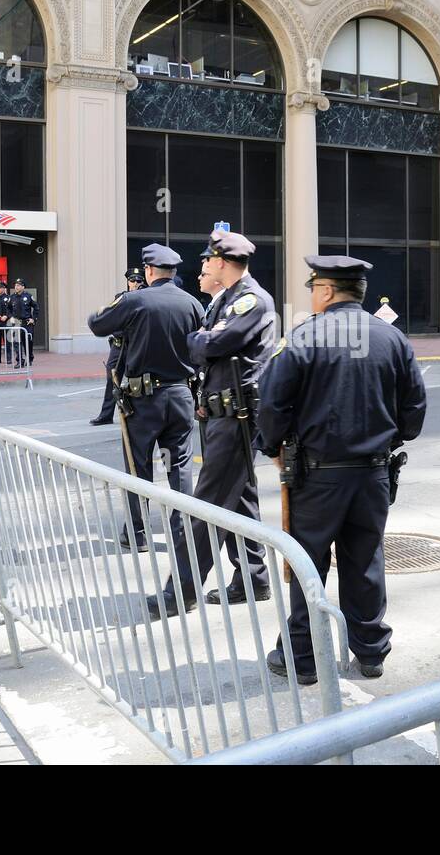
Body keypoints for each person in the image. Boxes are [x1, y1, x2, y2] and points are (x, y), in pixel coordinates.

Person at [258, 255, 427, 684]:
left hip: (316, 475)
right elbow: (414, 410)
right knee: (365, 559)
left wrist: (273, 447)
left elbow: (273, 403)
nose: (313, 297)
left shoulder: (302, 337)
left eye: (314, 289)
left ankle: (304, 657)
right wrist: (391, 439)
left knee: (307, 564)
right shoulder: (393, 339)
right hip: (373, 472)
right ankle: (370, 651)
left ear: (327, 291)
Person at [145, 230, 277, 619]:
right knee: (239, 500)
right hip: (224, 414)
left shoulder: (250, 300)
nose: (202, 265)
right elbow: (205, 346)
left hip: (237, 418)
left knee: (205, 507)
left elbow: (208, 346)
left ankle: (180, 591)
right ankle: (253, 580)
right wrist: (203, 341)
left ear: (221, 262)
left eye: (207, 260)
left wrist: (202, 340)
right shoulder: (230, 301)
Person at [86, 244, 203, 552]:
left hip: (143, 399)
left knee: (139, 468)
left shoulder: (134, 300)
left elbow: (96, 323)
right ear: (173, 272)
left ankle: (137, 534)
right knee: (179, 467)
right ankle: (182, 533)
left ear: (149, 271)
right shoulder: (192, 303)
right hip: (180, 395)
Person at [92, 268, 145, 427]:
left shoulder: (146, 298)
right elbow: (112, 319)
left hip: (135, 346)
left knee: (138, 381)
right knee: (112, 380)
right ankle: (106, 415)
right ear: (128, 282)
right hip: (118, 345)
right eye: (132, 280)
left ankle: (137, 413)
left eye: (138, 280)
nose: (135, 283)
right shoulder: (120, 298)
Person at [9, 279, 39, 366]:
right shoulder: (12, 297)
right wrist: (11, 317)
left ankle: (29, 359)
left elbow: (36, 308)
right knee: (16, 343)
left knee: (28, 342)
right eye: (15, 285)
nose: (16, 287)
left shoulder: (28, 296)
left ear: (23, 287)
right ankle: (19, 361)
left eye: (18, 285)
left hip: (27, 323)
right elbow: (8, 309)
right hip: (17, 323)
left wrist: (33, 319)